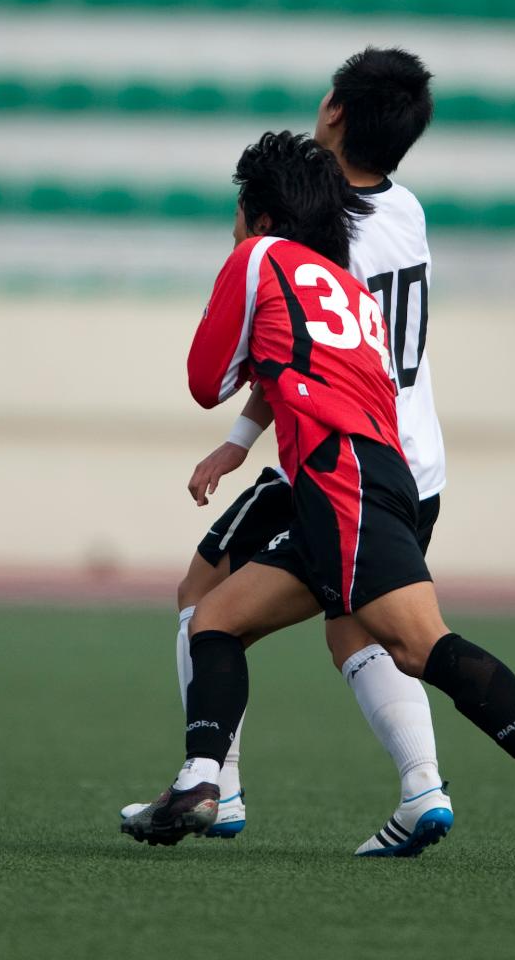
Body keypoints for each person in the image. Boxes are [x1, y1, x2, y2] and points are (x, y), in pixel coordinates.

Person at [122, 129, 515, 871]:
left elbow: (204, 382)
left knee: (417, 643)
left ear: (257, 214)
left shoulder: (256, 258)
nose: (232, 224)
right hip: (376, 473)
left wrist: (242, 342)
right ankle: (199, 782)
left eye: (237, 209)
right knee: (216, 617)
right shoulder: (348, 290)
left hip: (338, 477)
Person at [127, 47, 453, 858]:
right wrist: (240, 442)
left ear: (334, 110)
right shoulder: (404, 209)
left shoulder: (318, 228)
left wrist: (238, 436)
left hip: (343, 455)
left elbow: (303, 343)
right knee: (356, 631)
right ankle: (422, 792)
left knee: (205, 596)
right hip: (416, 456)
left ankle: (213, 782)